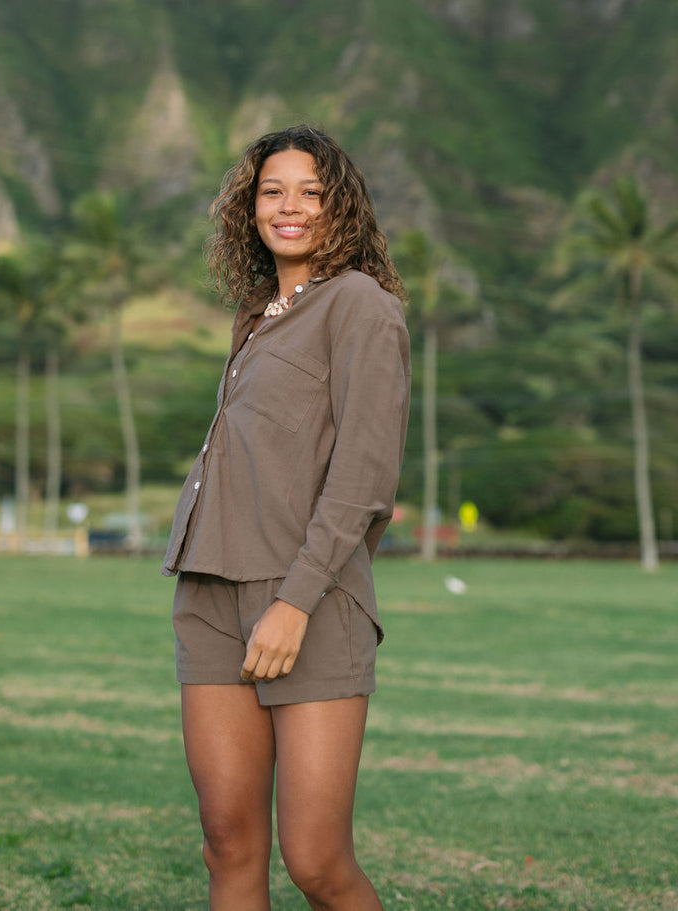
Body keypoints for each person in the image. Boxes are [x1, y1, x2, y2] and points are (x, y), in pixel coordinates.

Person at [162, 125, 411, 910]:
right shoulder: (257, 313)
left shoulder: (360, 306)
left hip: (304, 595)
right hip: (209, 591)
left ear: (343, 206)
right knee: (228, 842)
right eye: (273, 190)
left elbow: (365, 477)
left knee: (314, 860)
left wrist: (296, 600)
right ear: (249, 207)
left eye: (311, 190)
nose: (290, 206)